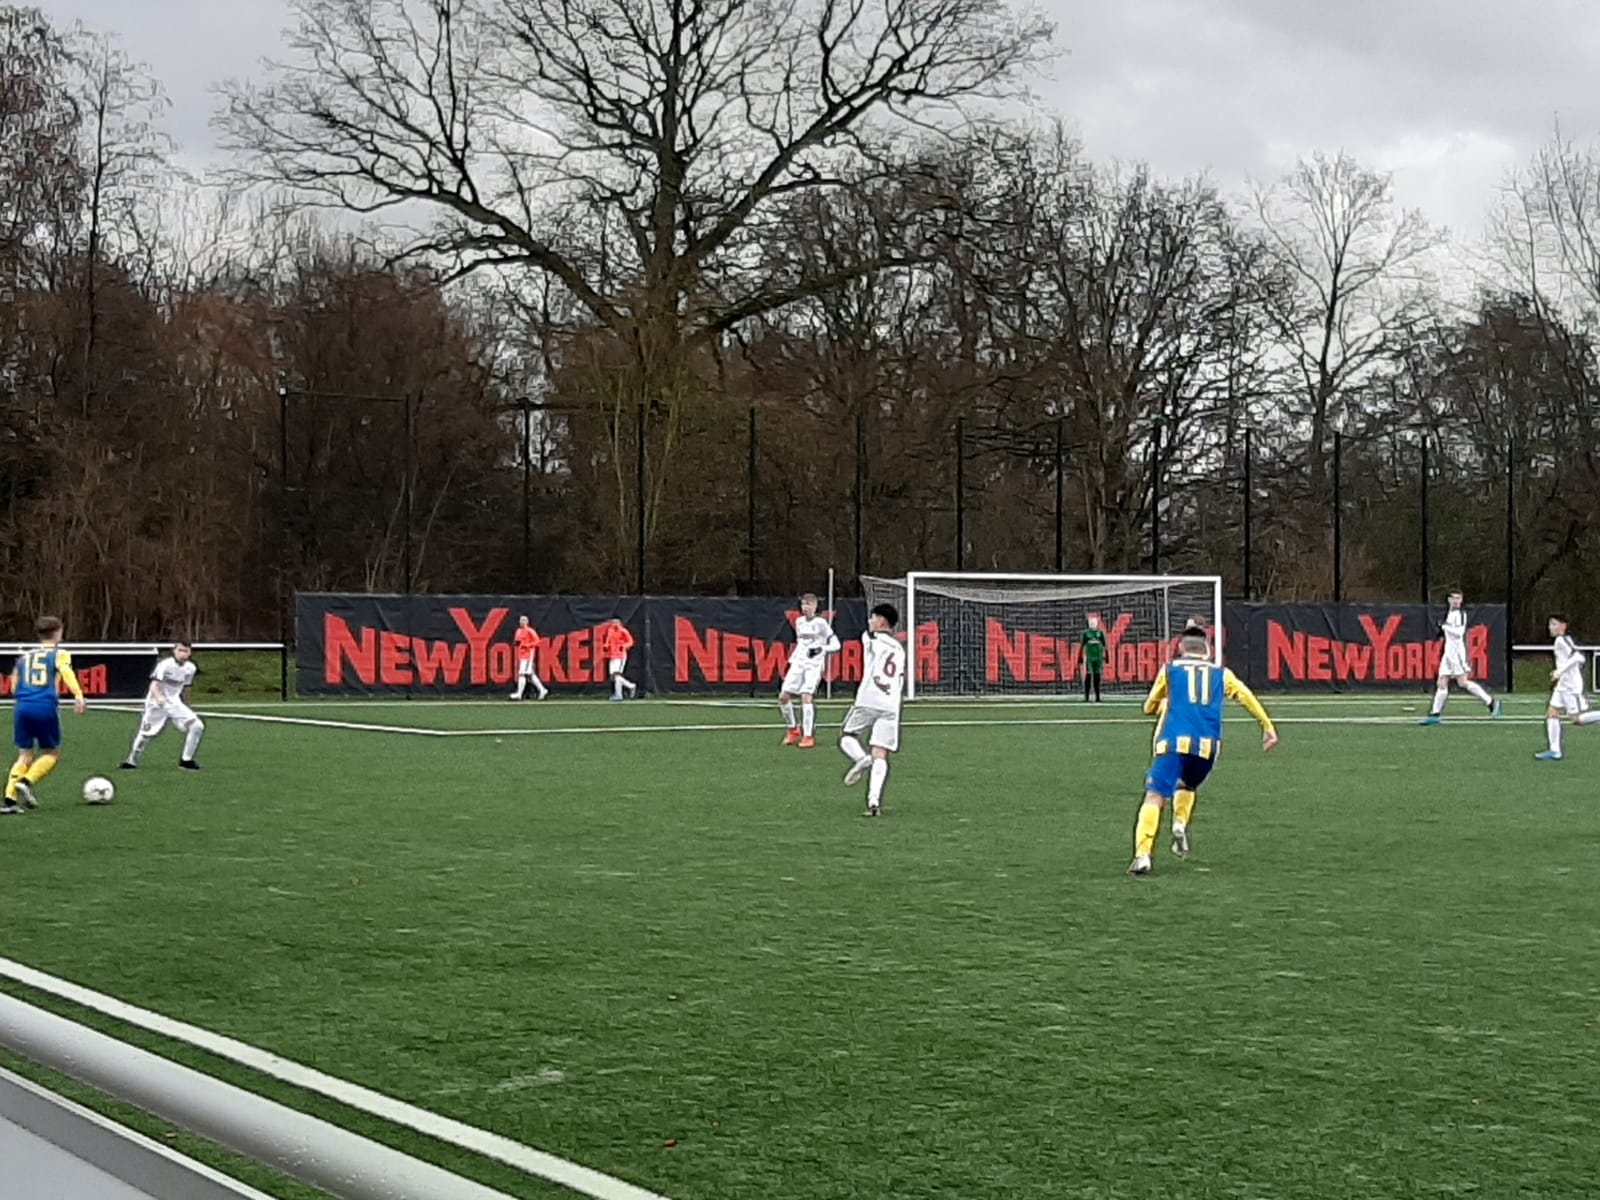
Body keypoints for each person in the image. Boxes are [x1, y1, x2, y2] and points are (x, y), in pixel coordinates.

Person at [1129, 626, 1277, 875]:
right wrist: (1267, 726)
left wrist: (1162, 704)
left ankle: (1143, 855)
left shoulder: (1170, 670)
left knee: (1155, 796)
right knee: (1187, 785)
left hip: (1173, 743)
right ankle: (1179, 823)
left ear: (1180, 648)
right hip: (1207, 748)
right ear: (1208, 650)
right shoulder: (1222, 674)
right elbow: (1246, 696)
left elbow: (1148, 707)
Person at [1, 616, 86, 815]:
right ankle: (26, 781)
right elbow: (66, 672)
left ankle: (10, 799)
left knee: (24, 754)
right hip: (45, 706)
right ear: (58, 633)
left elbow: (13, 685)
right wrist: (78, 695)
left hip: (22, 707)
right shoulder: (59, 654)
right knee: (51, 753)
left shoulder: (24, 657)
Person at [840, 603, 907, 817]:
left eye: (873, 617)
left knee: (847, 735)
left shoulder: (870, 638)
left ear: (881, 621)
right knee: (881, 753)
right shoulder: (899, 648)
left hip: (869, 698)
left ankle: (861, 758)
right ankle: (874, 802)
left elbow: (868, 636)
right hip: (891, 704)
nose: (870, 621)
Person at [120, 641, 204, 771]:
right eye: (180, 650)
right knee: (145, 735)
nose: (182, 654)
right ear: (174, 651)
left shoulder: (190, 668)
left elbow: (186, 687)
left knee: (197, 726)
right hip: (156, 704)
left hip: (174, 703)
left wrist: (187, 705)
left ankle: (186, 760)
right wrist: (159, 697)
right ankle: (131, 761)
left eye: (186, 651)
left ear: (190, 653)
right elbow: (154, 685)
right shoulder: (165, 665)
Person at [1419, 591, 1501, 724]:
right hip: (1448, 653)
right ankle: (1435, 714)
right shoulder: (1450, 613)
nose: (1456, 601)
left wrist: (1444, 627)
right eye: (1454, 598)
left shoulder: (1461, 614)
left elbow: (1459, 632)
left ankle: (1491, 702)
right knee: (1441, 682)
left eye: (1458, 598)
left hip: (1457, 654)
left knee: (1463, 682)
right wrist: (1443, 631)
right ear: (1449, 600)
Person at [1535, 615, 1600, 760]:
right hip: (1563, 685)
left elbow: (1579, 657)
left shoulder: (1561, 641)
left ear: (1563, 626)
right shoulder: (1563, 640)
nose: (1550, 627)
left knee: (1576, 719)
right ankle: (1555, 751)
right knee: (1552, 712)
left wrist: (1559, 672)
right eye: (1550, 624)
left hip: (1571, 686)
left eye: (1554, 624)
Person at [780, 592, 841, 747]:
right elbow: (801, 643)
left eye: (808, 604)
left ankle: (808, 736)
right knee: (784, 697)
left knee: (806, 696)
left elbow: (836, 644)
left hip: (813, 665)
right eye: (803, 604)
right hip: (798, 663)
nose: (805, 607)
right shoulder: (799, 621)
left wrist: (821, 649)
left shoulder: (821, 623)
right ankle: (793, 730)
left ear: (815, 606)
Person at [509, 615, 549, 701]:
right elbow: (517, 642)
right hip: (521, 655)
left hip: (528, 655)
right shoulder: (518, 631)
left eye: (524, 620)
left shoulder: (530, 630)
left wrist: (528, 645)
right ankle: (543, 690)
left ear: (527, 622)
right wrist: (516, 644)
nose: (522, 622)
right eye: (521, 620)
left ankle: (519, 694)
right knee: (530, 675)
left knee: (522, 674)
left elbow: (537, 641)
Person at [600, 617, 639, 701]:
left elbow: (630, 642)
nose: (614, 624)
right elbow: (608, 640)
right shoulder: (610, 630)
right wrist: (606, 645)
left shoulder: (623, 631)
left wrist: (623, 646)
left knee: (617, 675)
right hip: (612, 655)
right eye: (613, 622)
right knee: (613, 676)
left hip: (620, 656)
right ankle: (630, 686)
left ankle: (619, 694)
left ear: (619, 623)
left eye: (616, 622)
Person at [1079, 613, 1106, 702]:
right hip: (1090, 658)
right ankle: (1086, 697)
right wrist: (1080, 656)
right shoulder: (1086, 633)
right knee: (1088, 675)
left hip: (1098, 658)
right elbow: (1082, 645)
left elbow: (1104, 645)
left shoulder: (1100, 633)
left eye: (1094, 623)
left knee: (1097, 677)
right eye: (1091, 623)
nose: (1092, 624)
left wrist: (1106, 656)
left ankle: (1097, 697)